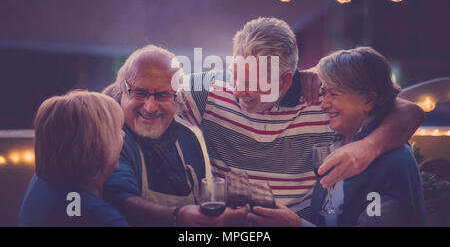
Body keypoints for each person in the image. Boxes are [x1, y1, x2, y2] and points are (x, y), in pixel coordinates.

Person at [179, 17, 425, 220]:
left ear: (285, 80)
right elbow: (150, 95)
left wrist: (367, 148)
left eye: (252, 83)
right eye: (236, 76)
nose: (238, 90)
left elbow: (408, 110)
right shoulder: (208, 91)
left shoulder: (325, 99)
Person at [247, 47, 426, 226]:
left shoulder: (393, 163)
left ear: (368, 101)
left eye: (333, 94)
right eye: (324, 93)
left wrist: (295, 224)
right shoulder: (337, 141)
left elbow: (411, 110)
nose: (323, 104)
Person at [102, 45, 247, 226]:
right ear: (122, 91)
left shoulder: (189, 138)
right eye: (139, 93)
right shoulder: (109, 135)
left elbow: (203, 204)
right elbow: (118, 199)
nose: (150, 107)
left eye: (163, 95)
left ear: (177, 98)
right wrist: (177, 217)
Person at [19, 91, 129, 227]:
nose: (123, 135)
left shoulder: (42, 183)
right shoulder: (99, 217)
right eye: (117, 129)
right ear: (98, 144)